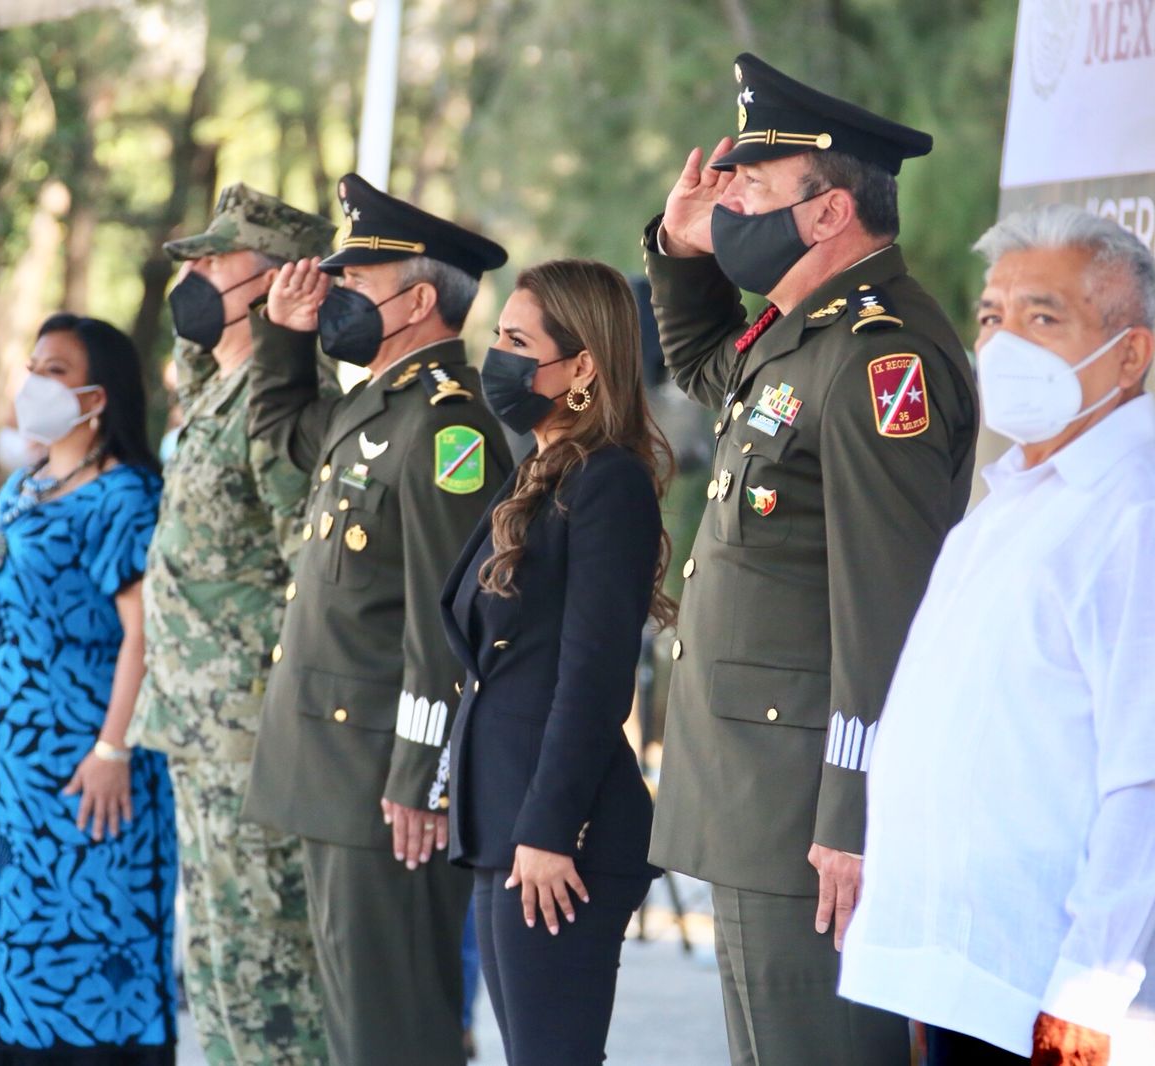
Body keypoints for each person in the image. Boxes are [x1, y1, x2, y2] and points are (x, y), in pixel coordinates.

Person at [643, 53, 979, 1066]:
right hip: (759, 798)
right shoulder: (802, 335)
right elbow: (707, 366)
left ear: (829, 212)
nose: (728, 200)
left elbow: (888, 612)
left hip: (807, 812)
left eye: (752, 187)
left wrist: (854, 813)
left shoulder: (885, 358)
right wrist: (676, 245)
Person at [840, 205, 1155, 1066]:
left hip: (1052, 1004)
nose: (1003, 341)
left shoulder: (1145, 514)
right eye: (992, 316)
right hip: (966, 978)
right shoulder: (1014, 501)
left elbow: (1154, 787)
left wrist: (1085, 1003)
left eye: (1042, 317)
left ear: (1130, 354)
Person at [244, 172, 513, 1066]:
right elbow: (283, 436)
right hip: (333, 765)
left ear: (419, 300)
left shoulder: (447, 431)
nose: (335, 297)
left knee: (394, 1029)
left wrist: (420, 776)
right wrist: (280, 340)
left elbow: (447, 624)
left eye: (353, 283)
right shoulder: (375, 404)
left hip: (382, 784)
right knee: (357, 1024)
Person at [440, 259, 672, 1066]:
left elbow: (595, 677)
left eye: (516, 340)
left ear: (581, 366)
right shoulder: (539, 472)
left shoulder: (608, 481)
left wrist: (547, 828)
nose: (497, 356)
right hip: (502, 823)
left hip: (555, 839)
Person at [128, 183, 335, 1066]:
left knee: (269, 974)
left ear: (281, 278)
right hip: (199, 723)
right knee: (213, 962)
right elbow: (194, 362)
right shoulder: (222, 386)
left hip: (252, 729)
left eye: (217, 259)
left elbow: (309, 560)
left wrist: (290, 333)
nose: (198, 272)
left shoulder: (286, 400)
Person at [0, 314, 175, 1064]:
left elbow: (142, 634)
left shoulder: (127, 496)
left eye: (54, 369)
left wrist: (113, 747)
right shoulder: (24, 482)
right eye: (32, 364)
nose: (32, 381)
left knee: (88, 938)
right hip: (1, 777)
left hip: (84, 770)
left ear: (97, 396)